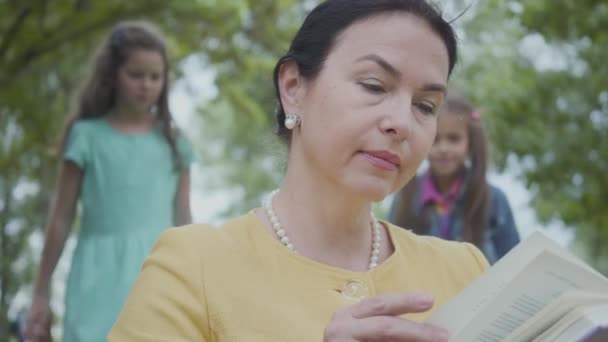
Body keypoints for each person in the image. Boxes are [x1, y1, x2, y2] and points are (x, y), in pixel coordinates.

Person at [110, 1, 488, 341]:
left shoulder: (466, 272)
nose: (402, 122)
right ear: (293, 87)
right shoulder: (192, 268)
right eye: (374, 85)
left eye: (425, 106)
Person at [25, 21, 195, 342]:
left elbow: (184, 220)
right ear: (113, 75)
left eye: (155, 76)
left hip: (157, 275)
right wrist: (40, 293)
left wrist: (196, 280)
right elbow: (60, 219)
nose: (146, 85)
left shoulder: (175, 144)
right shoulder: (86, 136)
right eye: (136, 75)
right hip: (95, 276)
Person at [388, 92, 520, 264]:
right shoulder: (405, 198)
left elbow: (514, 264)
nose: (443, 148)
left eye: (454, 139)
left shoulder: (494, 200)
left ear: (470, 142)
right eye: (435, 140)